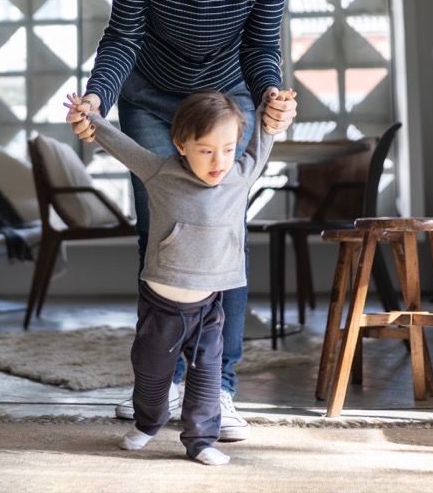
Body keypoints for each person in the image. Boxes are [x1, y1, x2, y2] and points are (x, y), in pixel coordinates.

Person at [72, 0, 296, 441]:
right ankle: (159, 383)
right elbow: (125, 35)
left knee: (223, 235)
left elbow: (261, 45)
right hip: (151, 98)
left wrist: (272, 95)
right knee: (160, 231)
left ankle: (219, 389)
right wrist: (98, 95)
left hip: (227, 98)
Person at [67, 88, 294, 465]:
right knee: (153, 377)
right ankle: (147, 424)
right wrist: (90, 116)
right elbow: (122, 146)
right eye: (206, 150)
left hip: (209, 309)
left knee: (206, 379)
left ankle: (201, 441)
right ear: (181, 144)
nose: (218, 160)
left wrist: (272, 104)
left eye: (227, 148)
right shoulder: (159, 172)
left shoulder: (241, 174)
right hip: (162, 308)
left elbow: (263, 139)